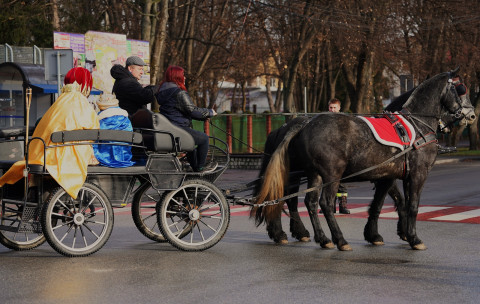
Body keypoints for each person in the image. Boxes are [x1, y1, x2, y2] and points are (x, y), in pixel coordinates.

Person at [0, 67, 100, 199]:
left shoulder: (60, 101)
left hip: (43, 152)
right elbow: (93, 130)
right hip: (65, 154)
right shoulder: (80, 102)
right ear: (85, 85)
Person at [155, 65, 217, 173]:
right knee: (204, 139)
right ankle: (200, 168)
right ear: (177, 77)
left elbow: (180, 111)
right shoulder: (179, 93)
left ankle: (195, 169)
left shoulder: (162, 91)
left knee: (191, 145)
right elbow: (192, 110)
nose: (185, 78)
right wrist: (210, 112)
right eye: (183, 75)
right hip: (178, 128)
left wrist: (203, 116)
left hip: (168, 128)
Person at [321, 98, 350, 214]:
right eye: (330, 108)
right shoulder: (324, 120)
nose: (332, 110)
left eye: (334, 108)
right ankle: (330, 205)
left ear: (339, 108)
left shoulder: (343, 120)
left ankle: (342, 205)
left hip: (340, 156)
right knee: (327, 182)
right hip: (327, 156)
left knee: (341, 183)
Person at [93, 93, 135, 168]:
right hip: (124, 154)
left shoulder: (101, 119)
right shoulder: (125, 118)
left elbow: (95, 135)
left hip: (104, 155)